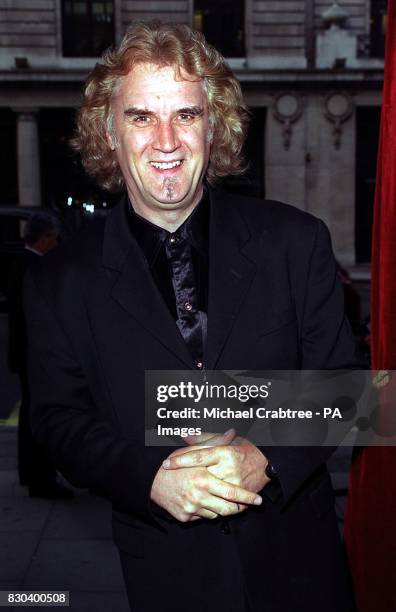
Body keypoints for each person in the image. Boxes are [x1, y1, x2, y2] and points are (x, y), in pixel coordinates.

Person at [24, 22, 360, 611]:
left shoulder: (295, 242)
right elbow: (57, 419)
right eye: (141, 117)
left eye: (185, 114)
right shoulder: (61, 280)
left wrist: (266, 455)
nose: (166, 140)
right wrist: (146, 476)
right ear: (109, 129)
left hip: (302, 568)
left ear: (214, 124)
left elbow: (350, 390)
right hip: (167, 576)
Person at [8, 212, 73, 498]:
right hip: (34, 355)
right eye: (53, 237)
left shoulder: (23, 263)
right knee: (40, 416)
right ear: (44, 237)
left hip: (26, 353)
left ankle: (32, 474)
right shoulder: (34, 267)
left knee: (30, 415)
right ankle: (40, 478)